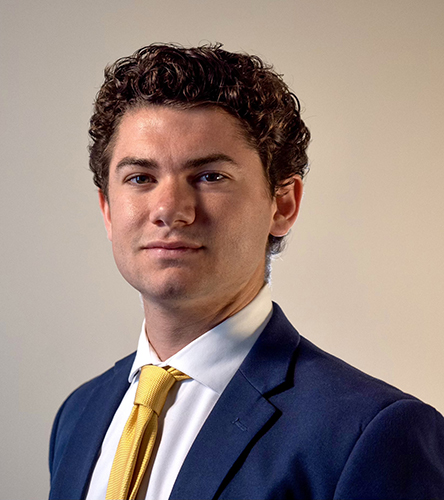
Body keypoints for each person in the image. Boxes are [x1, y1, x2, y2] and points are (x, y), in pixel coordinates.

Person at [48, 44, 444, 500]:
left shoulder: (371, 434)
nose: (169, 209)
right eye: (140, 178)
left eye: (210, 176)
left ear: (283, 204)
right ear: (107, 209)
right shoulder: (78, 416)